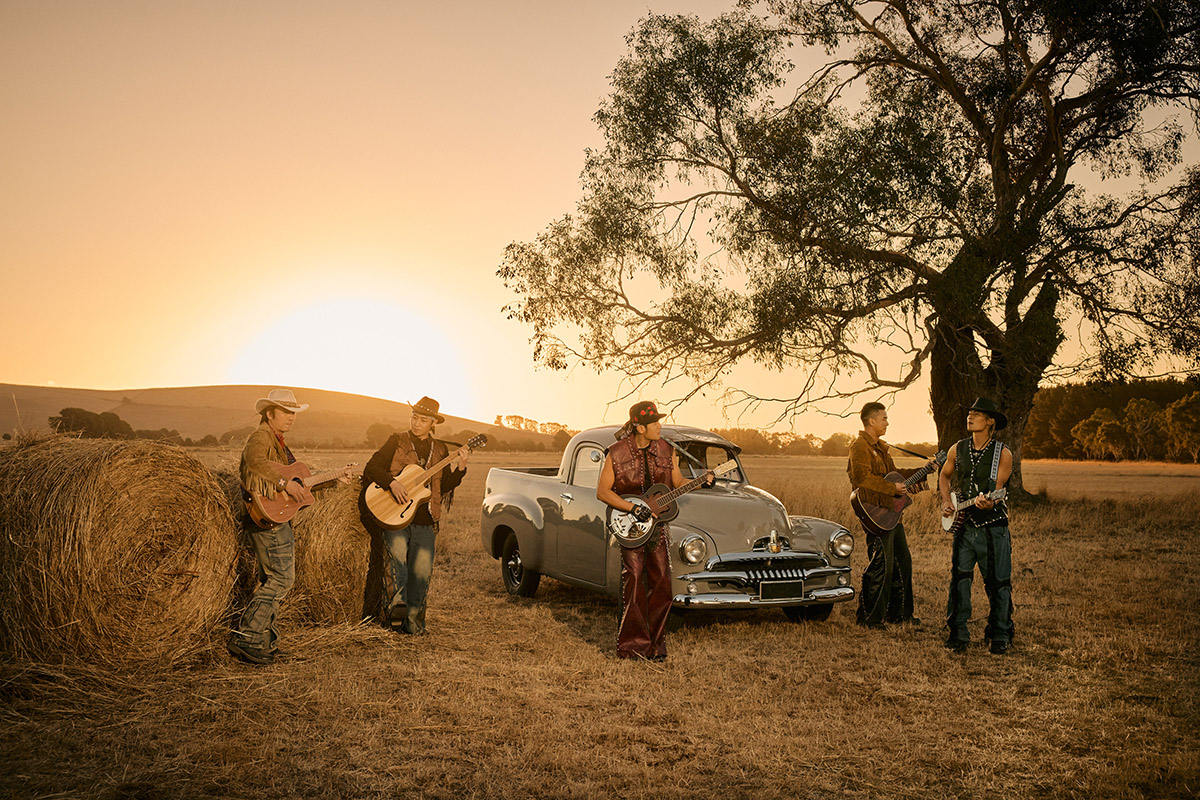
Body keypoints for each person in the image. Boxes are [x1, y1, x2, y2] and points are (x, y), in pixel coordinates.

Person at [229, 388, 353, 665]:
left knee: (272, 579)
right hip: (267, 518)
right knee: (281, 580)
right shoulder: (260, 437)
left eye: (293, 413)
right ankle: (246, 638)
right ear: (269, 413)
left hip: (276, 517)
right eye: (286, 412)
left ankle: (264, 643)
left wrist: (335, 478)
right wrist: (284, 484)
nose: (291, 418)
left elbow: (300, 481)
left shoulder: (280, 444)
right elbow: (255, 463)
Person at [597, 401, 712, 661]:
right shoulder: (615, 453)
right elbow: (602, 492)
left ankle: (655, 646)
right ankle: (632, 647)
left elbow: (678, 483)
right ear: (639, 426)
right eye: (654, 422)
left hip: (658, 527)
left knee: (662, 585)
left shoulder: (667, 450)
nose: (660, 426)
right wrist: (631, 508)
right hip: (631, 526)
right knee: (635, 583)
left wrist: (701, 482)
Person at [359, 396, 469, 635]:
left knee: (420, 574)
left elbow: (444, 484)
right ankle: (393, 624)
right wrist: (392, 484)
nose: (416, 423)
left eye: (422, 420)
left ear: (433, 424)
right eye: (414, 417)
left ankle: (414, 625)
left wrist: (461, 467)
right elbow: (372, 467)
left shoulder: (440, 449)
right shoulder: (396, 441)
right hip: (395, 517)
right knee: (396, 570)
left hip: (425, 520)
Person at [846, 401, 934, 630]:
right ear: (871, 421)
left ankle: (900, 615)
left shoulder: (881, 449)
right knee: (881, 565)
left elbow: (895, 476)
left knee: (902, 563)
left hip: (892, 515)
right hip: (876, 515)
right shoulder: (859, 447)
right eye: (884, 418)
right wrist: (891, 490)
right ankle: (869, 618)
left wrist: (925, 470)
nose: (887, 422)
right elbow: (861, 479)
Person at [938, 397, 1015, 655]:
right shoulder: (956, 449)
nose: (970, 417)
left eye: (977, 414)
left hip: (993, 526)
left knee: (998, 582)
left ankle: (1000, 635)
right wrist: (945, 500)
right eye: (969, 412)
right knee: (959, 580)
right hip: (964, 526)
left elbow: (998, 491)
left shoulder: (1002, 454)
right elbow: (944, 475)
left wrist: (990, 503)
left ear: (990, 421)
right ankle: (958, 634)